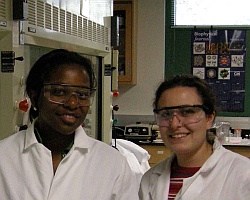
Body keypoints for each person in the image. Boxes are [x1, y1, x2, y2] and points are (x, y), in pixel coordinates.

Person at [0, 49, 139, 200]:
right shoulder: (4, 157)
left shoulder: (113, 164)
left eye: (82, 95)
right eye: (59, 92)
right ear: (34, 95)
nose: (72, 104)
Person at [139, 74, 250, 200]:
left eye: (187, 112)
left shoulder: (244, 175)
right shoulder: (149, 179)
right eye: (166, 114)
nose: (174, 124)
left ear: (209, 118)